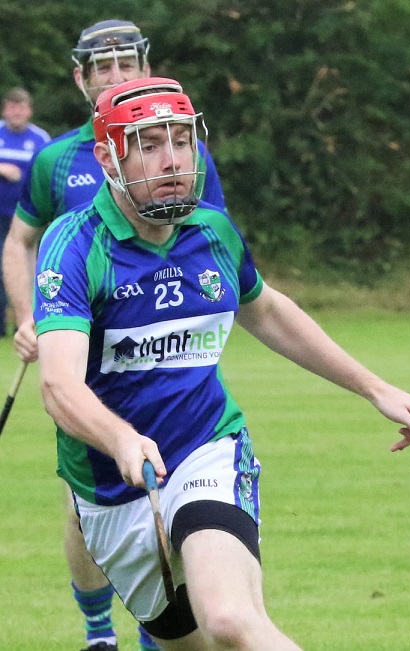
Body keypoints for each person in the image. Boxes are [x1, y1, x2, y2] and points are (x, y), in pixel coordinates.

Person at [33, 75, 410, 651]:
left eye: (182, 141)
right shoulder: (74, 244)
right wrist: (121, 439)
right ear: (107, 159)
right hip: (110, 488)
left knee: (229, 619)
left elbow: (267, 311)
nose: (173, 159)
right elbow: (59, 385)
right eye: (149, 144)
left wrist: (375, 388)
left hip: (208, 448)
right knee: (190, 644)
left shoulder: (212, 230)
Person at [1, 20, 226, 651]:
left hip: (166, 352)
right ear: (80, 77)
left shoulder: (182, 150)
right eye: (102, 67)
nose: (116, 75)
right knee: (86, 507)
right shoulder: (55, 158)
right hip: (83, 361)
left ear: (146, 66)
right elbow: (21, 242)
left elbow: (210, 245)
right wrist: (28, 315)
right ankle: (100, 632)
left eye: (127, 63)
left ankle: (159, 631)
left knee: (175, 505)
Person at [0, 87, 50, 336]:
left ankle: (28, 322)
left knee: (30, 270)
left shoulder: (40, 138)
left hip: (28, 218)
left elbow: (48, 173)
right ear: (4, 110)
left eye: (21, 107)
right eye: (12, 107)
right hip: (0, 216)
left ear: (29, 110)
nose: (16, 112)